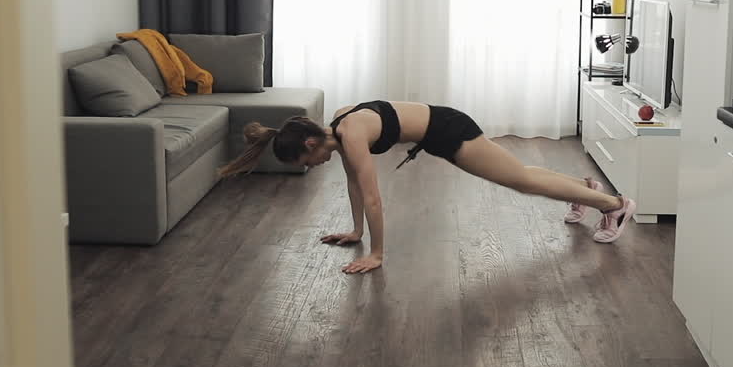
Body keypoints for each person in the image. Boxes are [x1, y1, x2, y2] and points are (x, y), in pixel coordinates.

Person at [218, 101, 634, 274]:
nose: (312, 166)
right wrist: (357, 233)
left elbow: (374, 196)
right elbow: (353, 187)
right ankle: (585, 188)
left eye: (305, 161)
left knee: (522, 181)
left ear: (310, 143)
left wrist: (377, 254)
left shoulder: (352, 134)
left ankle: (614, 204)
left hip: (450, 133)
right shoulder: (341, 126)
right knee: (521, 173)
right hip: (440, 130)